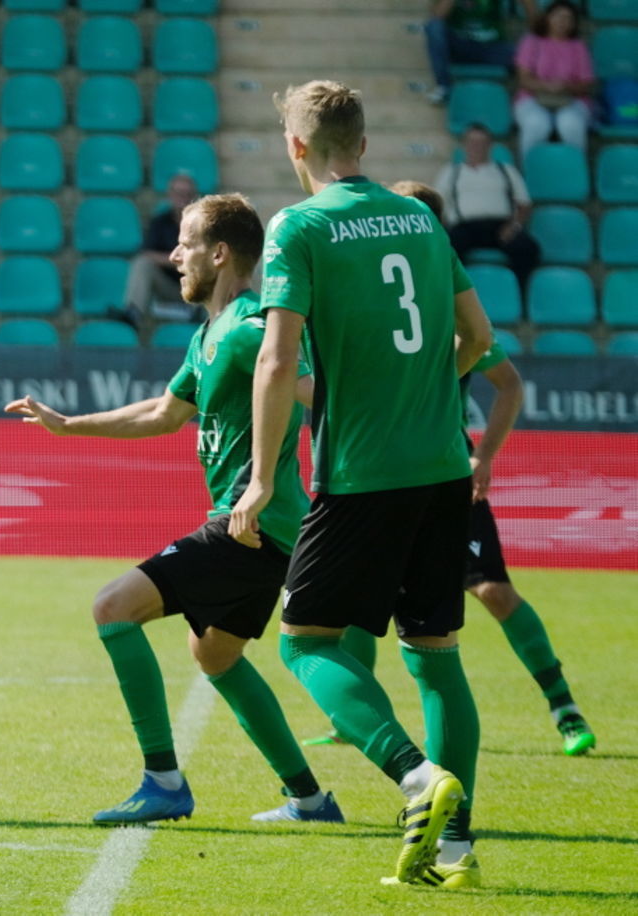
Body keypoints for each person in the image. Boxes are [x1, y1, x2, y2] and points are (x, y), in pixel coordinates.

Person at [5, 193, 344, 827]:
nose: (173, 256)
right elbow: (164, 412)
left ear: (220, 253)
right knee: (215, 656)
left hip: (248, 526)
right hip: (260, 531)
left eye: (185, 243)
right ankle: (310, 800)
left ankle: (162, 781)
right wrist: (69, 424)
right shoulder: (210, 334)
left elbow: (316, 391)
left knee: (112, 608)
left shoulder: (248, 327)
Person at [229, 80, 492, 889]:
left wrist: (259, 478)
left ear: (295, 147)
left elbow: (275, 362)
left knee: (305, 641)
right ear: (365, 145)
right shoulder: (420, 217)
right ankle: (455, 853)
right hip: (444, 465)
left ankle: (418, 780)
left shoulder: (299, 225)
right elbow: (475, 338)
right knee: (435, 652)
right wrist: (422, 397)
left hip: (361, 472)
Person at [303, 178, 596, 760]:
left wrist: (483, 457)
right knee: (367, 606)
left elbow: (508, 384)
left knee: (490, 592)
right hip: (387, 469)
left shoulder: (447, 316)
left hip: (438, 470)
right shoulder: (385, 311)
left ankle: (563, 707)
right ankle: (356, 722)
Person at [432, 122, 541, 289]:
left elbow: (524, 204)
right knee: (445, 249)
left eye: (481, 142)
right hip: (465, 227)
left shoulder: (506, 170)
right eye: (472, 142)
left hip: (501, 227)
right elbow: (436, 205)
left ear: (490, 145)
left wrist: (514, 226)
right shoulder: (451, 172)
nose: (476, 147)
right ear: (464, 145)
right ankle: (454, 299)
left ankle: (519, 294)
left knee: (527, 248)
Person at [513, 1, 595, 161]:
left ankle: (574, 173)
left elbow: (586, 84)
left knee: (571, 125)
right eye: (558, 16)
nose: (563, 22)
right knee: (536, 125)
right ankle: (530, 173)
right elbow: (523, 79)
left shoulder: (578, 47)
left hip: (571, 99)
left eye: (568, 18)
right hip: (532, 97)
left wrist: (565, 87)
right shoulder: (532, 41)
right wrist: (547, 86)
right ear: (547, 18)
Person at [118, 172, 200, 327]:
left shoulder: (205, 224)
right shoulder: (160, 222)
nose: (183, 197)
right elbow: (147, 254)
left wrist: (170, 259)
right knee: (142, 264)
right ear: (170, 195)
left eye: (188, 194)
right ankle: (133, 314)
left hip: (197, 290)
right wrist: (181, 260)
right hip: (169, 287)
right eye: (178, 193)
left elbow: (204, 259)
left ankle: (203, 315)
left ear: (195, 197)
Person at [423, 0, 538, 104]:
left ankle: (523, 99)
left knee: (525, 56)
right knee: (434, 27)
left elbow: (537, 25)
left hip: (492, 47)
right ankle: (444, 86)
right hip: (459, 46)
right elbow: (437, 17)